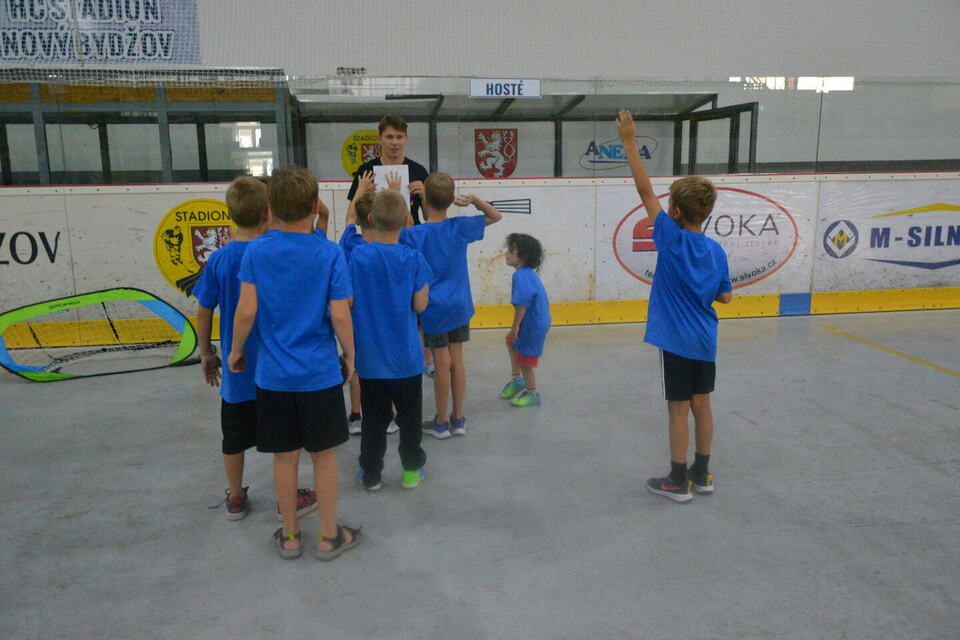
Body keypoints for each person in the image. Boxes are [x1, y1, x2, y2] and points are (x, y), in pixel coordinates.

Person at [228, 165, 363, 560]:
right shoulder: (329, 252)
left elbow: (246, 311)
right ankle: (328, 536)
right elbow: (340, 314)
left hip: (273, 378)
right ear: (314, 206)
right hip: (318, 374)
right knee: (324, 457)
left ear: (270, 209)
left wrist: (236, 350)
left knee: (284, 458)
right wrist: (350, 355)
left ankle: (289, 535)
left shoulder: (256, 251)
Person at [616, 109, 732, 504]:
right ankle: (702, 472)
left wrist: (630, 142)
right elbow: (725, 296)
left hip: (677, 342)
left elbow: (644, 192)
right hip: (705, 339)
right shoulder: (715, 251)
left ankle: (678, 479)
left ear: (677, 213)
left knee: (677, 408)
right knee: (703, 404)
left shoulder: (670, 238)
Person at [193, 176, 317, 521]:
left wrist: (206, 353)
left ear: (230, 214)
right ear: (268, 212)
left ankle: (235, 497)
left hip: (238, 373)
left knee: (233, 437)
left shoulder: (219, 259)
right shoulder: (273, 253)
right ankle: (287, 498)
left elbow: (203, 310)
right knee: (285, 441)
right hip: (275, 369)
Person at [401, 172, 502, 438]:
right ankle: (458, 419)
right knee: (457, 359)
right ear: (450, 200)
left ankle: (441, 421)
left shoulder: (414, 234)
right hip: (459, 304)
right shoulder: (459, 227)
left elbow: (394, 235)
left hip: (434, 307)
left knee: (441, 362)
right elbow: (495, 216)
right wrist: (475, 200)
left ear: (426, 201)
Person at [350, 189, 432, 490]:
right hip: (406, 359)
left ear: (370, 218)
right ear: (407, 220)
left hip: (370, 360)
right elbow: (420, 305)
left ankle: (371, 474)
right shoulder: (414, 258)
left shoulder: (357, 256)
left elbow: (348, 300)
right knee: (410, 419)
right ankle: (411, 470)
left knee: (373, 420)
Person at [499, 233, 551, 408]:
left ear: (523, 256)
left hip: (533, 324)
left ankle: (532, 392)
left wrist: (515, 327)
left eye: (511, 250)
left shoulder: (521, 276)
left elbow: (522, 304)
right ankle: (517, 380)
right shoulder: (526, 274)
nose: (506, 253)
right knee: (511, 342)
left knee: (525, 358)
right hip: (534, 321)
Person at [347, 115, 429, 225]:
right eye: (389, 137)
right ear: (380, 139)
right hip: (377, 233)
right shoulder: (366, 171)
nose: (394, 142)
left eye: (399, 137)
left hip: (412, 233)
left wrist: (424, 196)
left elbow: (429, 217)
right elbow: (355, 219)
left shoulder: (419, 171)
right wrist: (364, 195)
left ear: (406, 139)